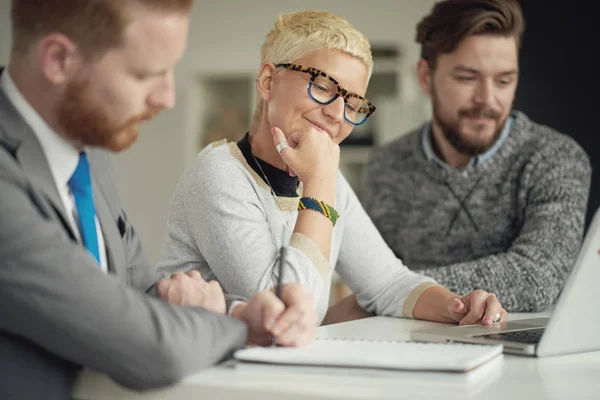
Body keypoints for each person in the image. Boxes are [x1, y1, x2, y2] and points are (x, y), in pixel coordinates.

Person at [0, 1, 317, 398]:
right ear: (59, 59)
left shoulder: (85, 151)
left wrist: (244, 309)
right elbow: (147, 345)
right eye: (146, 74)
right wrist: (244, 328)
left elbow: (143, 293)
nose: (167, 98)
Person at [158, 10, 507, 330]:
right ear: (267, 81)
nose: (338, 114)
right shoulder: (220, 174)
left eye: (354, 104)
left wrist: (460, 307)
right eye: (323, 86)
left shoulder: (326, 179)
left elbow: (386, 282)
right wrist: (319, 181)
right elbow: (288, 309)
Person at [362, 0, 592, 312]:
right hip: (411, 343)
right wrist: (382, 290)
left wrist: (389, 290)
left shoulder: (555, 159)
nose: (487, 99)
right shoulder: (384, 167)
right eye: (467, 78)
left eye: (503, 81)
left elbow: (538, 276)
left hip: (520, 352)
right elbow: (365, 274)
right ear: (426, 77)